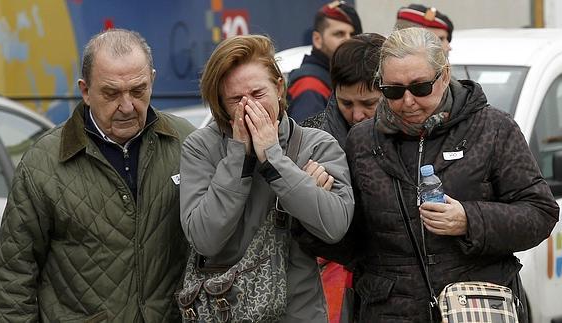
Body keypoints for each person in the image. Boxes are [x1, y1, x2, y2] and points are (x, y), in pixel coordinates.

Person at [324, 27, 559, 322]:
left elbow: (540, 214)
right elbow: (348, 240)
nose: (408, 101)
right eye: (394, 91)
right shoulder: (362, 141)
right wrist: (312, 206)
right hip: (391, 311)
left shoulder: (493, 128)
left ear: (444, 75)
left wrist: (469, 219)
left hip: (477, 307)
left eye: (420, 87)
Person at [0, 28, 196, 322]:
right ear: (85, 91)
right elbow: (13, 278)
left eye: (138, 90)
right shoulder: (43, 163)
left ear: (152, 78)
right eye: (111, 93)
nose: (127, 106)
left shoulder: (186, 143)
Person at [179, 34, 355, 322]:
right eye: (236, 99)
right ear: (221, 105)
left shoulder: (316, 145)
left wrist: (274, 159)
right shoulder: (201, 148)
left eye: (258, 94)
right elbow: (204, 240)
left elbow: (334, 226)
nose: (250, 108)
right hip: (226, 311)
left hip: (298, 313)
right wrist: (238, 156)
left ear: (279, 87)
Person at [300, 32, 385, 323]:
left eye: (368, 103)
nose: (357, 114)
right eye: (346, 103)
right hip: (330, 283)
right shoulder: (309, 137)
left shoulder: (410, 138)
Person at [287, 0, 362, 123]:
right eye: (339, 34)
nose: (348, 41)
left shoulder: (336, 77)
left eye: (353, 34)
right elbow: (309, 141)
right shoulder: (310, 85)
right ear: (317, 39)